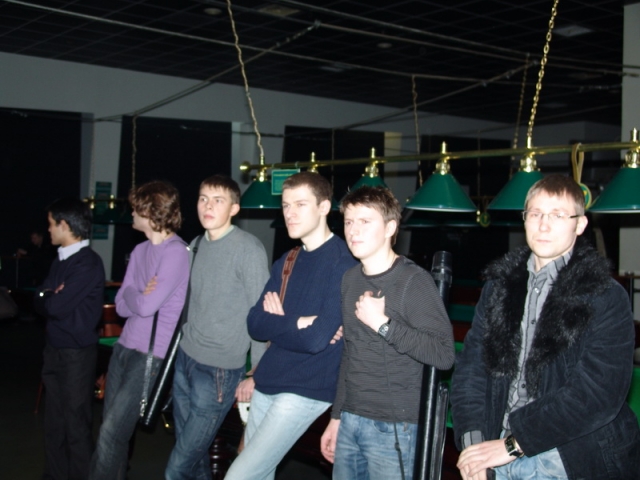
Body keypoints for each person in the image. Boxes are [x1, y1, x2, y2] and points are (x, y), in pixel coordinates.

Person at [450, 174, 640, 480]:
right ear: (524, 219)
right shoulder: (498, 288)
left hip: (570, 457)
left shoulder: (606, 296)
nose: (543, 225)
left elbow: (596, 395)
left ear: (580, 225)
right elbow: (472, 371)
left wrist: (514, 444)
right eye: (536, 214)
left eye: (558, 215)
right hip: (496, 449)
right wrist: (475, 447)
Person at [225, 171, 358, 480]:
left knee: (239, 476)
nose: (290, 213)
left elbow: (316, 340)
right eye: (286, 205)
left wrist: (279, 322)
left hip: (305, 390)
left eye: (300, 204)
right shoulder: (287, 260)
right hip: (268, 380)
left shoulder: (344, 264)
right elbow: (255, 324)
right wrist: (297, 321)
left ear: (324, 207)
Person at [320, 185, 455, 480]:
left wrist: (383, 324)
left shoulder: (413, 281)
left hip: (395, 428)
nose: (353, 230)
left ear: (390, 228)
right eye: (349, 221)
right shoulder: (349, 279)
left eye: (365, 221)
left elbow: (444, 354)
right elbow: (350, 353)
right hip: (351, 419)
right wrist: (337, 416)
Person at [165, 174, 269, 480]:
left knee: (177, 467)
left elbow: (262, 315)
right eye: (203, 199)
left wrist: (258, 373)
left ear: (234, 209)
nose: (207, 206)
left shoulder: (248, 249)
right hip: (186, 360)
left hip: (219, 372)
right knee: (195, 461)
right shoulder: (196, 245)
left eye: (218, 200)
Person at [90, 181, 190, 479]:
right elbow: (121, 305)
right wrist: (138, 293)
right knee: (113, 433)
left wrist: (135, 294)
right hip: (124, 347)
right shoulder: (139, 250)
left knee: (111, 432)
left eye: (136, 208)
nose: (131, 213)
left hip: (151, 355)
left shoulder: (176, 252)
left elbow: (144, 306)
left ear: (151, 211)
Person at [34, 198, 105, 480]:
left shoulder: (87, 263)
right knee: (54, 424)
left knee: (75, 426)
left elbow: (55, 307)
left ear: (64, 225)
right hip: (54, 350)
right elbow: (40, 298)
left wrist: (49, 297)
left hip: (77, 355)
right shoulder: (60, 259)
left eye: (51, 224)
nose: (48, 230)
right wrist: (49, 294)